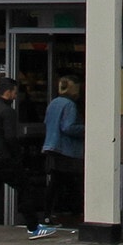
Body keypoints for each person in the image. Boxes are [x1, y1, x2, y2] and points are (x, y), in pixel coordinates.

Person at [0, 79, 60, 241]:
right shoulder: (8, 112)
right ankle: (33, 228)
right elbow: (10, 137)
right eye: (14, 92)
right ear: (8, 92)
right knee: (25, 188)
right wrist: (17, 156)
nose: (15, 95)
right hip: (5, 158)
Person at [41, 75, 86, 228]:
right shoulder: (70, 105)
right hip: (67, 150)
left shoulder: (53, 103)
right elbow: (68, 127)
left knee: (55, 183)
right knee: (74, 182)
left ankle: (47, 215)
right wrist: (88, 128)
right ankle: (77, 213)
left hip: (52, 147)